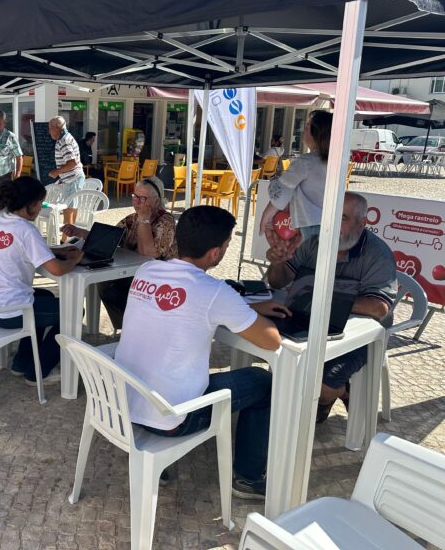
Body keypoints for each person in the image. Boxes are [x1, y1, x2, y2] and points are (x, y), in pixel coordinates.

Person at [116, 205, 287, 499]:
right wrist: (257, 315)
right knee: (263, 382)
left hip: (123, 402)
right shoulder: (215, 291)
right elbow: (271, 341)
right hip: (171, 418)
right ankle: (248, 478)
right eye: (227, 245)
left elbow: (188, 307)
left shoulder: (148, 269)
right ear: (215, 253)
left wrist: (245, 307)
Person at [265, 192, 397, 422]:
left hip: (363, 335)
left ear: (361, 223)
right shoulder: (314, 242)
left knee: (323, 385)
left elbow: (379, 308)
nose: (333, 223)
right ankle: (322, 400)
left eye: (343, 218)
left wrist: (321, 298)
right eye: (331, 215)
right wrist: (277, 263)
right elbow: (277, 282)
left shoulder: (378, 254)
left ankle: (335, 394)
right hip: (314, 318)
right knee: (275, 350)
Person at [0, 176, 83, 384]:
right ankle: (39, 371)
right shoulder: (26, 230)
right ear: (30, 205)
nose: (40, 209)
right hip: (11, 311)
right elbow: (57, 270)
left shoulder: (1, 218)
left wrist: (56, 251)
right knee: (74, 311)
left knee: (45, 296)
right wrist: (74, 260)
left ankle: (22, 361)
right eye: (40, 204)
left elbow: (20, 248)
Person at [62, 177, 177, 330]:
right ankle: (128, 325)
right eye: (135, 196)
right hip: (133, 272)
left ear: (156, 201)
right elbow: (110, 238)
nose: (137, 202)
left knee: (110, 285)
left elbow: (148, 253)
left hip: (156, 279)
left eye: (143, 199)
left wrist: (144, 220)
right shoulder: (132, 218)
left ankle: (135, 327)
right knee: (102, 278)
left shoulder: (165, 221)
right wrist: (80, 232)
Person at [259, 110, 333, 257]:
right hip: (330, 224)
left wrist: (266, 217)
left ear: (316, 133)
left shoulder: (306, 162)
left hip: (310, 224)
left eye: (307, 127)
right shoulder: (335, 161)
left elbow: (282, 192)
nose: (303, 130)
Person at [48, 116, 86, 226]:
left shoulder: (63, 141)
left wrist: (56, 172)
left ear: (58, 128)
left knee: (68, 210)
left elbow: (72, 162)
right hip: (73, 179)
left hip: (72, 179)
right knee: (72, 208)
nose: (49, 131)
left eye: (50, 128)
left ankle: (67, 235)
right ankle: (70, 233)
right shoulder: (65, 138)